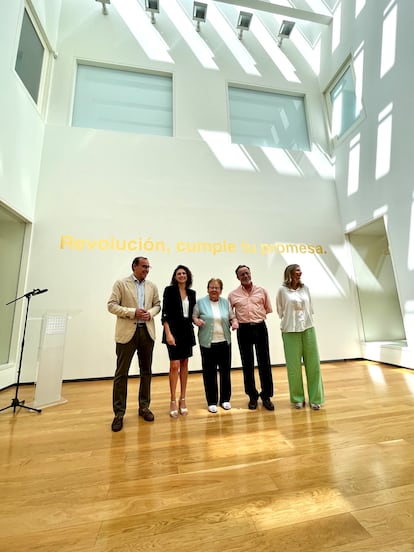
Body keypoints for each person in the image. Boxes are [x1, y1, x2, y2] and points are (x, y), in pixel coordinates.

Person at [107, 256, 161, 432]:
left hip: (146, 332)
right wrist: (133, 312)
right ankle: (119, 414)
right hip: (126, 334)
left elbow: (157, 305)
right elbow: (111, 305)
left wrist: (150, 314)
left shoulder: (152, 286)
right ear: (134, 266)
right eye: (144, 266)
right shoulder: (121, 284)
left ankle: (144, 407)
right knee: (121, 374)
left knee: (146, 372)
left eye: (148, 267)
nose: (146, 269)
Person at [276, 264, 324, 410]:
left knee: (313, 365)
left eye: (300, 270)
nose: (300, 272)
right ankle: (297, 398)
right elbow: (280, 311)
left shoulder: (306, 289)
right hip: (290, 331)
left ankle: (316, 399)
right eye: (297, 270)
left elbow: (310, 308)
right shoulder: (282, 290)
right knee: (294, 367)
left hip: (308, 328)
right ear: (289, 273)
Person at [228, 265, 275, 411]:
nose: (245, 276)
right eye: (241, 274)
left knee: (264, 362)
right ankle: (252, 396)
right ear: (237, 277)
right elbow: (230, 314)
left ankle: (266, 396)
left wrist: (256, 318)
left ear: (250, 273)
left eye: (247, 273)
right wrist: (236, 323)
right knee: (247, 363)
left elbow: (267, 309)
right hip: (243, 330)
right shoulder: (233, 295)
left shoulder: (262, 291)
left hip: (260, 327)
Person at [193, 278, 238, 413]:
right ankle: (211, 401)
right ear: (207, 289)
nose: (214, 290)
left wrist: (235, 322)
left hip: (224, 342)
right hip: (207, 343)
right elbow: (194, 316)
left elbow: (232, 317)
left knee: (225, 371)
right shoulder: (200, 302)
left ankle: (225, 399)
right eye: (211, 287)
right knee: (209, 372)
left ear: (220, 290)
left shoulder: (225, 302)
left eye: (216, 288)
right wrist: (197, 321)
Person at [162, 265, 196, 418]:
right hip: (173, 331)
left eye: (184, 273)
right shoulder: (169, 291)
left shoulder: (192, 293)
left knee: (184, 364)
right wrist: (168, 333)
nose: (181, 275)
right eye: (179, 273)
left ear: (187, 276)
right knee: (174, 365)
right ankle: (172, 400)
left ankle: (183, 399)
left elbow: (193, 314)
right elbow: (165, 314)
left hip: (187, 332)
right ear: (175, 277)